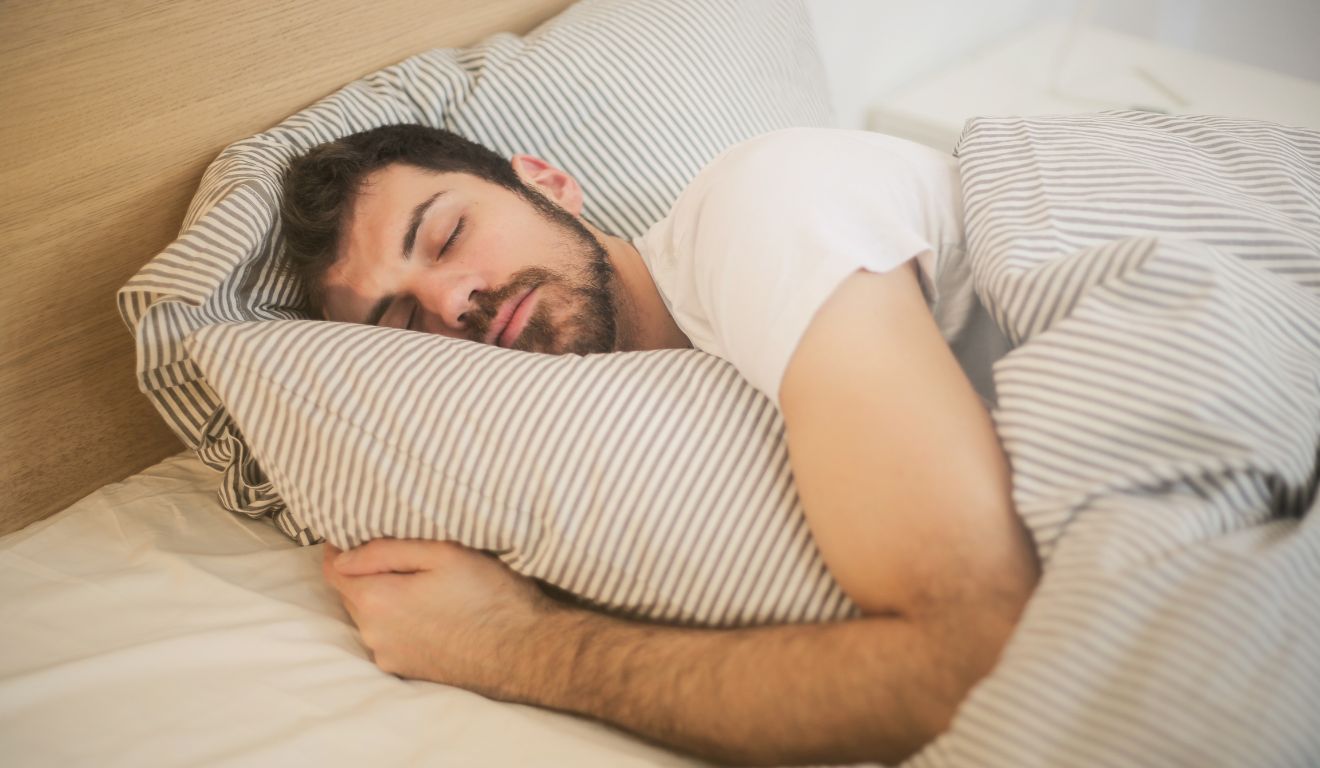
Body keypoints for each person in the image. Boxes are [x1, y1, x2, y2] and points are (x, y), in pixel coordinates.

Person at [281, 123, 1039, 766]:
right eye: (404, 323)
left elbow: (975, 659)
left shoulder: (761, 211)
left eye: (447, 235)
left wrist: (507, 645)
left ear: (545, 183)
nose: (451, 301)